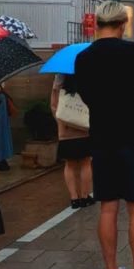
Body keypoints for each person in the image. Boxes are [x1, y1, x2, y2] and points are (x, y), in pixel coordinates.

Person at [75, 1, 134, 269]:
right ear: (123, 24)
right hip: (131, 136)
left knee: (108, 207)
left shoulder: (83, 58)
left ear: (97, 24)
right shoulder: (132, 51)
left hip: (101, 138)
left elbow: (86, 96)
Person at [51, 74, 93, 209]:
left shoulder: (59, 78)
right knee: (86, 163)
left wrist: (61, 121)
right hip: (84, 128)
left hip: (65, 131)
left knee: (70, 164)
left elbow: (53, 105)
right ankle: (85, 196)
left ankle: (74, 198)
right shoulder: (86, 77)